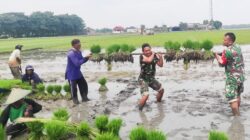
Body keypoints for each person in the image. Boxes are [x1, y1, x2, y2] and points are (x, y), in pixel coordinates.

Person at [214, 32, 245, 116]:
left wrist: (216, 56)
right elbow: (230, 54)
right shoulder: (238, 47)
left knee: (232, 97)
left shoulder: (226, 51)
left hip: (232, 78)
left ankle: (237, 118)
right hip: (240, 77)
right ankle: (238, 113)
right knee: (237, 94)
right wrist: (221, 54)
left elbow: (222, 63)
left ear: (230, 41)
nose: (223, 41)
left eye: (225, 40)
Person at [138, 43, 164, 111]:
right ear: (143, 51)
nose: (148, 52)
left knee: (161, 90)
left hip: (151, 79)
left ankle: (158, 103)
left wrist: (160, 57)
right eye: (146, 51)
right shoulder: (142, 56)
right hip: (143, 79)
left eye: (149, 50)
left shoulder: (154, 56)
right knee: (146, 95)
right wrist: (153, 53)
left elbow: (160, 65)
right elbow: (149, 60)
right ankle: (140, 110)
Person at [65, 39, 92, 104]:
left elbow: (81, 60)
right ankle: (75, 100)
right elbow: (77, 63)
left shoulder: (78, 52)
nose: (80, 46)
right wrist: (85, 58)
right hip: (71, 73)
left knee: (84, 85)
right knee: (74, 88)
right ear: (74, 45)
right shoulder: (71, 53)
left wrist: (87, 57)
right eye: (78, 45)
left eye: (80, 44)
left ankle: (84, 98)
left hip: (78, 72)